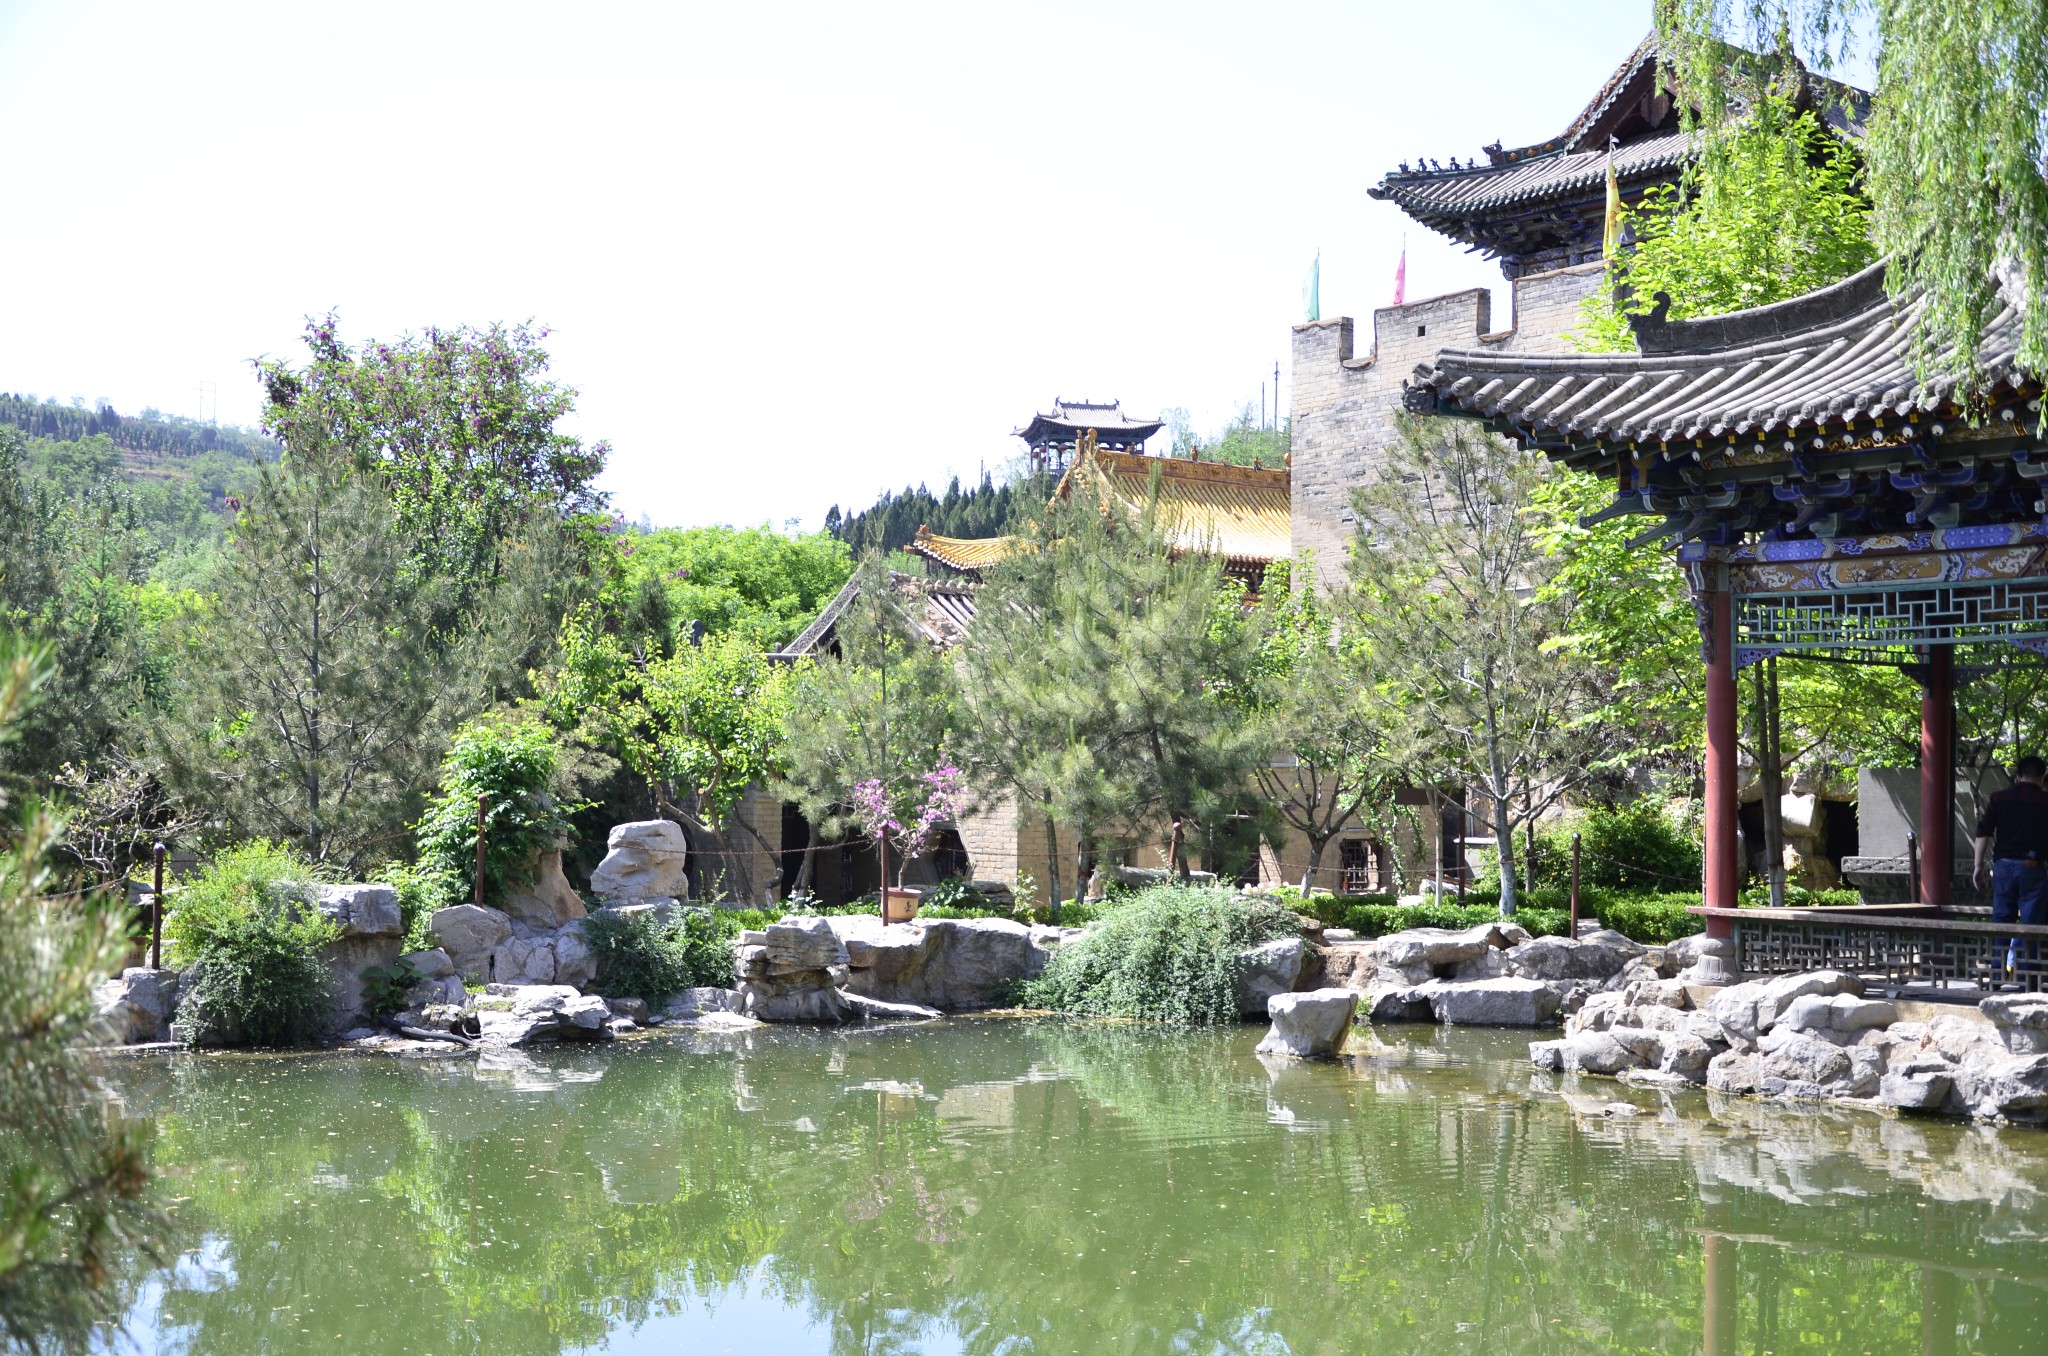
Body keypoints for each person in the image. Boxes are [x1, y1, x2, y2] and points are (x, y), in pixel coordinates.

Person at [1970, 754, 2048, 978]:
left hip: (2003, 866)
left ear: (2018, 776)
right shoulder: (2045, 801)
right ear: (2042, 776)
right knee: (2032, 922)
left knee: (2002, 918)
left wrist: (1978, 866)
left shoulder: (1999, 798)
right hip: (2032, 867)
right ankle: (2027, 978)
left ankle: (1997, 973)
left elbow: (1983, 831)